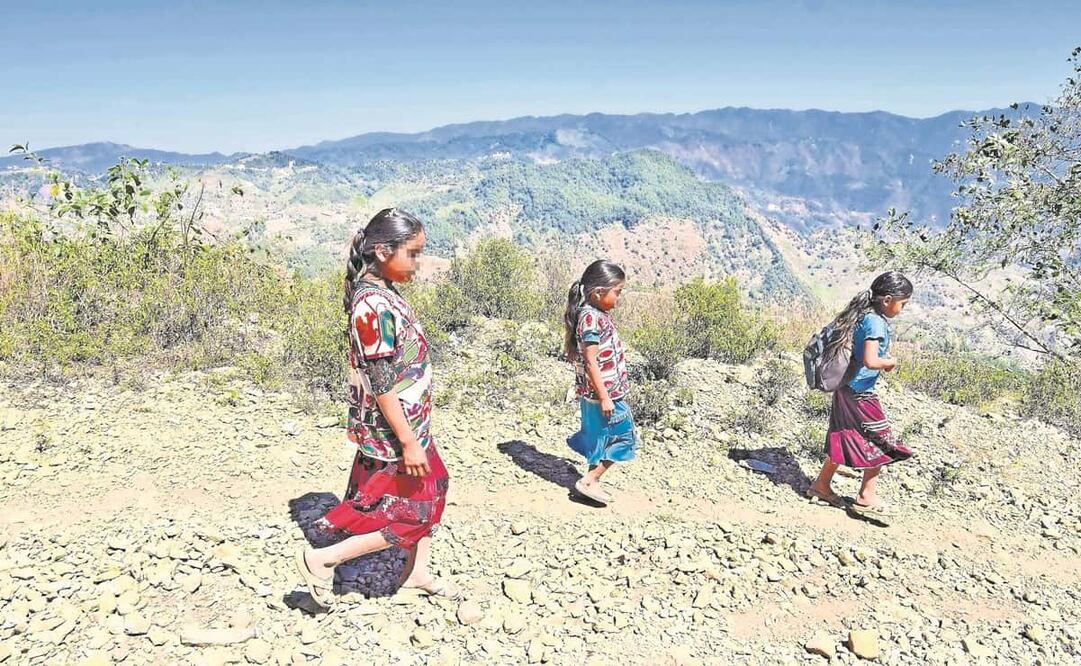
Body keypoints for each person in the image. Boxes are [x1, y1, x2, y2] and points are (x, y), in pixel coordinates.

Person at [294, 208, 457, 608]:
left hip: (408, 425)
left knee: (434, 487)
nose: (418, 263)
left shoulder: (383, 293)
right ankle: (321, 560)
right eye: (413, 253)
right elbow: (381, 379)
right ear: (383, 251)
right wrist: (408, 442)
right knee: (414, 510)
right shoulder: (373, 306)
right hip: (394, 432)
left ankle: (414, 573)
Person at [807, 271, 915, 519]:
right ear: (887, 300)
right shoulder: (875, 322)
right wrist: (888, 362)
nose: (903, 309)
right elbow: (869, 359)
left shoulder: (862, 315)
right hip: (860, 391)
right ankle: (867, 496)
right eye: (903, 303)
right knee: (880, 438)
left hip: (845, 388)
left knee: (843, 433)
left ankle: (821, 485)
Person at [563, 260, 636, 505]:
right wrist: (605, 396)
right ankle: (589, 481)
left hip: (594, 394)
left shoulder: (590, 315)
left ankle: (590, 483)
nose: (619, 298)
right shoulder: (591, 319)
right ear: (598, 293)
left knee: (599, 437)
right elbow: (591, 361)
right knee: (625, 438)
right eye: (617, 292)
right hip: (605, 394)